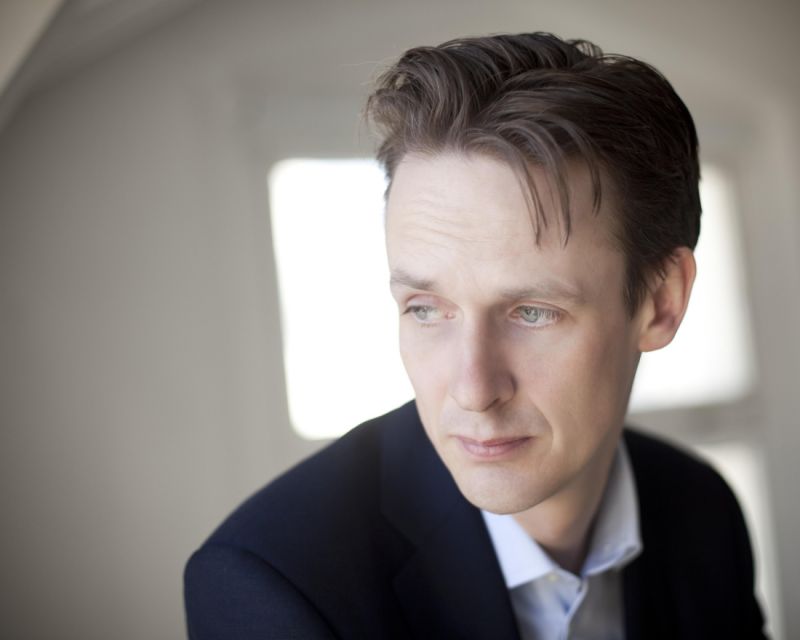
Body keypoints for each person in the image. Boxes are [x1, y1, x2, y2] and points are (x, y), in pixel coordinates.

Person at [184, 32, 767, 639]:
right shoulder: (271, 587)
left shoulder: (700, 509)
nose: (473, 390)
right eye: (426, 309)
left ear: (660, 302)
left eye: (532, 312)